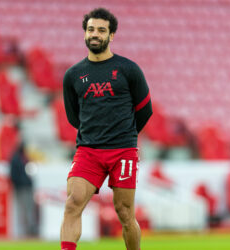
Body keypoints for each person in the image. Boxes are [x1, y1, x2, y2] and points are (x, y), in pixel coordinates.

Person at [60, 8, 152, 250]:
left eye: (101, 30)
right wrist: (95, 133)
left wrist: (126, 136)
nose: (95, 34)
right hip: (88, 150)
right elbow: (73, 116)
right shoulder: (73, 75)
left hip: (123, 151)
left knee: (124, 212)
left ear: (111, 35)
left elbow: (145, 110)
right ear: (84, 34)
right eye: (91, 29)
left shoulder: (128, 69)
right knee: (73, 202)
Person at [9, 141, 37, 238]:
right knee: (23, 209)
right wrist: (19, 183)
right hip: (21, 187)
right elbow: (13, 175)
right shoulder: (16, 159)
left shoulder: (23, 158)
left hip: (26, 187)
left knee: (28, 208)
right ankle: (24, 231)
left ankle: (29, 229)